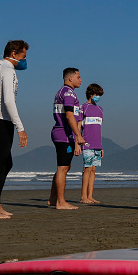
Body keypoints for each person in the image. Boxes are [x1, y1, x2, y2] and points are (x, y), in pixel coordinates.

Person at [0, 40, 30, 219]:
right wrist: (20, 128)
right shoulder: (8, 71)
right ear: (14, 53)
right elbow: (9, 101)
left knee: (6, 163)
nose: (23, 61)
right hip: (2, 121)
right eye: (23, 57)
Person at [48, 68, 84, 210]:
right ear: (70, 78)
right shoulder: (68, 93)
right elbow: (69, 116)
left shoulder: (62, 92)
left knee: (64, 167)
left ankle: (53, 198)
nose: (81, 80)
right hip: (63, 134)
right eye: (79, 77)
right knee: (62, 168)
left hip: (62, 134)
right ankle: (61, 202)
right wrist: (78, 135)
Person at [79, 84, 104, 204]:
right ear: (90, 94)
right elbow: (79, 125)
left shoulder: (100, 109)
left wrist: (101, 146)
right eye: (97, 94)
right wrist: (77, 141)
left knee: (94, 170)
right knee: (87, 169)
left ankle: (90, 196)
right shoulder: (83, 107)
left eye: (100, 95)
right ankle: (83, 196)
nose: (98, 97)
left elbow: (100, 129)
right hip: (86, 143)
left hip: (97, 144)